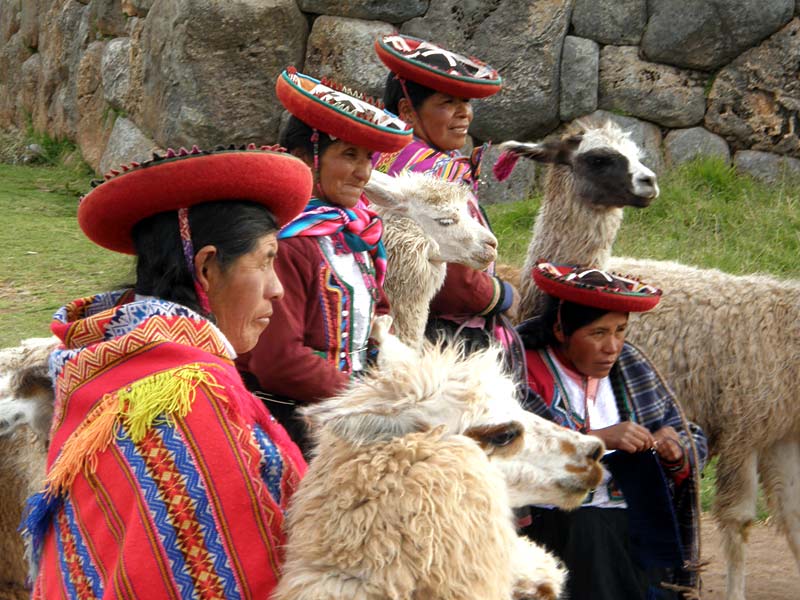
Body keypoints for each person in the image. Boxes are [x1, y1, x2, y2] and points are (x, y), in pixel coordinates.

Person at [21, 146, 313, 598]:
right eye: (266, 259)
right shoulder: (195, 397)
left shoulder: (107, 364)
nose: (277, 289)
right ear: (207, 267)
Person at [237, 68, 412, 455]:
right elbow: (278, 360)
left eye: (368, 156)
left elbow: (378, 315)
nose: (364, 172)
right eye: (349, 154)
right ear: (304, 158)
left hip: (352, 414)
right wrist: (368, 398)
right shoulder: (288, 246)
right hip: (292, 425)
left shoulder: (356, 234)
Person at [517, 262, 708, 600]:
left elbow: (689, 433)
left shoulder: (632, 367)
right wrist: (598, 439)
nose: (612, 346)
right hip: (556, 528)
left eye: (620, 330)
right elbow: (519, 445)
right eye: (598, 333)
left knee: (642, 537)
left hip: (627, 519)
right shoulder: (524, 368)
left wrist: (675, 450)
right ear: (561, 329)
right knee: (588, 527)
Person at [372, 33, 519, 351]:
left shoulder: (383, 158)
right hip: (442, 336)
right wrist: (502, 295)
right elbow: (455, 280)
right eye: (447, 102)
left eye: (465, 102)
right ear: (408, 111)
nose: (464, 113)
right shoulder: (431, 174)